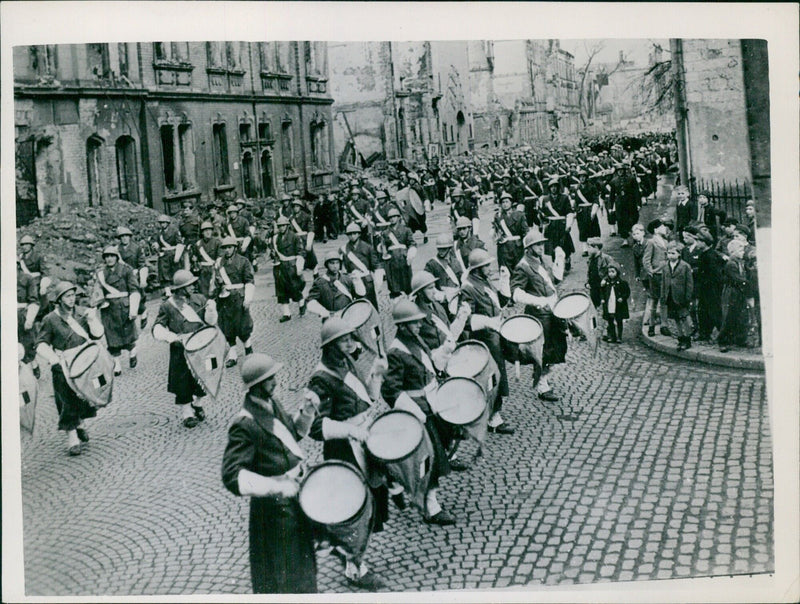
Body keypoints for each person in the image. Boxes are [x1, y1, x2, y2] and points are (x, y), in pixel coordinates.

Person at [221, 354, 318, 594]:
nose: (275, 381)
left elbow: (290, 437)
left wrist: (306, 413)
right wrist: (275, 486)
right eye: (269, 378)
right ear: (256, 385)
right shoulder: (244, 423)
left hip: (293, 498)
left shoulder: (271, 404)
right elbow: (232, 474)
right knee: (284, 573)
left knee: (302, 564)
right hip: (274, 511)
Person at [306, 318, 388, 590]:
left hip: (362, 442)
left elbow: (365, 400)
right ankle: (354, 568)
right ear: (330, 346)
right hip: (344, 451)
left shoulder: (346, 363)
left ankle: (351, 556)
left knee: (371, 502)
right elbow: (315, 427)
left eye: (352, 338)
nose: (351, 344)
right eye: (344, 340)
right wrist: (350, 431)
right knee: (353, 510)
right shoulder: (320, 379)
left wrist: (376, 374)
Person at [381, 299, 457, 525]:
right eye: (414, 323)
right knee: (429, 458)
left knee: (442, 448)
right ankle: (430, 506)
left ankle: (395, 481)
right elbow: (390, 390)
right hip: (417, 412)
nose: (419, 325)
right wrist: (415, 411)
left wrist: (444, 351)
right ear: (402, 326)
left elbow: (429, 365)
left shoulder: (416, 339)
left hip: (431, 404)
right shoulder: (396, 351)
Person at [36, 281, 106, 455]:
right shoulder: (50, 319)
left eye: (73, 295)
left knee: (86, 395)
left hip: (84, 360)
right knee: (66, 399)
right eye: (67, 296)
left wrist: (92, 320)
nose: (72, 299)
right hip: (63, 363)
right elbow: (40, 343)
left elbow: (97, 334)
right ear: (59, 300)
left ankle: (80, 423)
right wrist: (53, 359)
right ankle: (72, 437)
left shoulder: (82, 313)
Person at [153, 269, 217, 428]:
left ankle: (198, 402)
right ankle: (187, 413)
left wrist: (210, 309)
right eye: (189, 285)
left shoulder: (200, 299)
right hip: (180, 346)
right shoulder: (167, 306)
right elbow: (158, 326)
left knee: (205, 376)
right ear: (181, 288)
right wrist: (170, 337)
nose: (193, 286)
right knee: (182, 380)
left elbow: (210, 322)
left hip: (201, 343)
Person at [460, 249, 516, 433]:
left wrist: (505, 282)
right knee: (491, 378)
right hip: (484, 340)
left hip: (495, 337)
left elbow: (499, 302)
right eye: (486, 266)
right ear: (477, 269)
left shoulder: (484, 282)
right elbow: (467, 320)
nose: (490, 268)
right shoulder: (468, 288)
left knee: (498, 375)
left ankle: (494, 413)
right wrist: (488, 323)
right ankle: (492, 417)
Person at [510, 230, 566, 403]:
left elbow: (555, 280)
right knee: (543, 352)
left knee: (556, 349)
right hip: (539, 315)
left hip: (553, 312)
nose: (541, 247)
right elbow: (516, 293)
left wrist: (560, 260)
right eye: (537, 245)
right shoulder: (523, 266)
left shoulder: (544, 260)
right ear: (529, 248)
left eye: (542, 244)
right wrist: (537, 301)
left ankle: (545, 379)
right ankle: (542, 386)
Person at [91, 246, 141, 373]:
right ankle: (117, 364)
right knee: (112, 338)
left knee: (128, 335)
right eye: (106, 256)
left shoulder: (126, 270)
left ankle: (132, 352)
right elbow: (97, 291)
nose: (109, 259)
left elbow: (134, 289)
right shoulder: (101, 274)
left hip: (124, 306)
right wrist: (97, 302)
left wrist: (133, 308)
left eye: (112, 256)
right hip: (108, 309)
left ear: (117, 257)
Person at [214, 237, 255, 367]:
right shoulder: (219, 263)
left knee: (243, 325)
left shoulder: (243, 261)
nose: (227, 250)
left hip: (239, 296)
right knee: (227, 327)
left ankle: (248, 349)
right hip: (225, 298)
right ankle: (233, 355)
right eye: (225, 248)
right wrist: (219, 282)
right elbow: (215, 280)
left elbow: (249, 280)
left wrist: (248, 298)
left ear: (235, 248)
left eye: (230, 247)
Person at [270, 216, 307, 322]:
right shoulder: (275, 238)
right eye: (279, 226)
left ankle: (301, 303)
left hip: (291, 265)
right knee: (281, 290)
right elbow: (273, 250)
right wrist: (273, 255)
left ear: (287, 226)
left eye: (283, 226)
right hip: (280, 266)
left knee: (294, 288)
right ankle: (286, 313)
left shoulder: (294, 237)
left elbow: (300, 252)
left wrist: (299, 266)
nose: (281, 228)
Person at [340, 222, 384, 310]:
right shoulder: (344, 249)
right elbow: (342, 267)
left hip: (366, 280)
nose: (352, 236)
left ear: (359, 234)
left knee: (370, 304)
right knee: (357, 304)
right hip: (353, 280)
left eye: (354, 233)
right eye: (349, 234)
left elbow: (376, 265)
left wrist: (379, 281)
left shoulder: (368, 247)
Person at [717, 239, 750, 352]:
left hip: (738, 291)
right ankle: (723, 341)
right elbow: (738, 279)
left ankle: (740, 339)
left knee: (741, 315)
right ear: (733, 251)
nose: (743, 252)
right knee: (729, 316)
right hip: (731, 292)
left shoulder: (740, 262)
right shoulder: (731, 264)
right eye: (740, 250)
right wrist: (748, 282)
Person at [660, 241, 694, 351]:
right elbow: (663, 282)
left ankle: (687, 338)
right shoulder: (665, 266)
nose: (670, 256)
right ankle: (680, 338)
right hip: (670, 296)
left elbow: (689, 284)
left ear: (679, 254)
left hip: (680, 297)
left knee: (683, 317)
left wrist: (687, 297)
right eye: (669, 253)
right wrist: (663, 296)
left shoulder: (685, 266)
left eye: (673, 253)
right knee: (676, 319)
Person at [306, 252, 361, 319]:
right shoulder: (320, 282)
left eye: (337, 263)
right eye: (332, 263)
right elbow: (310, 301)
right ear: (327, 265)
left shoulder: (346, 279)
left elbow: (358, 296)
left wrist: (357, 282)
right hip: (331, 318)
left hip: (348, 315)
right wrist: (323, 311)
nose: (335, 266)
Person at [642, 218, 671, 337]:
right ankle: (652, 326)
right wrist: (651, 272)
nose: (664, 228)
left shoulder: (665, 241)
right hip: (656, 275)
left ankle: (664, 325)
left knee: (664, 301)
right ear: (656, 230)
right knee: (654, 301)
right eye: (662, 226)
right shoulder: (651, 242)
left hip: (665, 274)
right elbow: (646, 259)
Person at [695, 231, 726, 342]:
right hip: (705, 289)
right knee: (703, 311)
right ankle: (704, 333)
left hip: (711, 289)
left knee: (714, 312)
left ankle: (724, 337)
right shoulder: (704, 254)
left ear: (705, 242)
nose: (697, 243)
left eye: (699, 241)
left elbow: (716, 275)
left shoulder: (711, 256)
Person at [116, 226, 149, 325]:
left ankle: (143, 313)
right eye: (122, 236)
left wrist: (138, 272)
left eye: (126, 236)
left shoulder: (136, 248)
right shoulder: (117, 250)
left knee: (137, 295)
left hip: (135, 275)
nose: (124, 238)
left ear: (130, 237)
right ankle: (133, 316)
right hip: (122, 276)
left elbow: (142, 263)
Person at [381, 207, 416, 298]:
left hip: (403, 257)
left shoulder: (406, 230)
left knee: (406, 281)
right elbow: (383, 245)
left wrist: (411, 253)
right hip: (391, 259)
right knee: (393, 283)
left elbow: (412, 243)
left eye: (394, 217)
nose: (392, 219)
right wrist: (384, 252)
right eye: (390, 218)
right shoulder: (385, 232)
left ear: (399, 217)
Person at [494, 191, 528, 272]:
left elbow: (526, 231)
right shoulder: (498, 216)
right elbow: (496, 231)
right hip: (504, 247)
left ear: (511, 203)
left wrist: (526, 246)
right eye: (503, 202)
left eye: (507, 202)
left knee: (519, 268)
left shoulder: (520, 215)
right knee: (505, 271)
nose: (505, 204)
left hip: (517, 246)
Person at [17, 263, 41, 378]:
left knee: (27, 344)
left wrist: (29, 318)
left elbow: (34, 301)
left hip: (22, 315)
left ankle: (34, 365)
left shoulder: (27, 279)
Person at [609, 160, 641, 243]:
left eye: (621, 170)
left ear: (624, 170)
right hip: (619, 203)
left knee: (632, 219)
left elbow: (636, 191)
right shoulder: (614, 181)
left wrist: (638, 203)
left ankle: (635, 236)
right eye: (618, 170)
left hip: (630, 201)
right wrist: (610, 206)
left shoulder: (631, 179)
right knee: (621, 220)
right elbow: (612, 195)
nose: (620, 172)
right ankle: (625, 239)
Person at [154, 214, 187, 291]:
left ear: (167, 223)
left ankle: (179, 289)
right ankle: (167, 291)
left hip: (173, 253)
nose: (162, 224)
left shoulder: (174, 231)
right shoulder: (159, 233)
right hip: (164, 254)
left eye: (164, 222)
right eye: (161, 223)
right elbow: (158, 243)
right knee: (164, 273)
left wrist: (177, 255)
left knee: (176, 272)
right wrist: (156, 247)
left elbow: (179, 243)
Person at [600, 264, 630, 343]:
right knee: (610, 320)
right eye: (609, 272)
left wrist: (622, 298)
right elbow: (602, 292)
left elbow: (627, 292)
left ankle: (619, 336)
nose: (611, 274)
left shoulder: (622, 283)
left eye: (613, 272)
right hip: (609, 303)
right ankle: (612, 336)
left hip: (618, 305)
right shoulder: (606, 283)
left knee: (619, 320)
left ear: (617, 272)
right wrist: (603, 299)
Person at [192, 221, 221, 298]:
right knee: (203, 291)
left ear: (212, 231)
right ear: (202, 233)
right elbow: (195, 257)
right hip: (203, 270)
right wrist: (194, 260)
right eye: (205, 230)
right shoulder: (198, 244)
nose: (208, 232)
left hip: (214, 269)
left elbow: (220, 256)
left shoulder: (217, 242)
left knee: (215, 290)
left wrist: (216, 267)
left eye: (209, 230)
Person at [290, 197, 318, 275]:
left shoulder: (307, 216)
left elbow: (311, 229)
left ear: (300, 207)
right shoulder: (291, 218)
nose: (295, 208)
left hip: (306, 239)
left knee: (311, 256)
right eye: (294, 206)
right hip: (296, 240)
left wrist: (309, 242)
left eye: (297, 206)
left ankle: (315, 272)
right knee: (298, 256)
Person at [585, 237, 615, 308]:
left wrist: (605, 279)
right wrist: (587, 282)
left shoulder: (606, 258)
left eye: (589, 247)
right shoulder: (590, 259)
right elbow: (589, 272)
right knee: (594, 304)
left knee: (607, 304)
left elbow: (613, 271)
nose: (587, 250)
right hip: (593, 285)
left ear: (596, 247)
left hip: (603, 285)